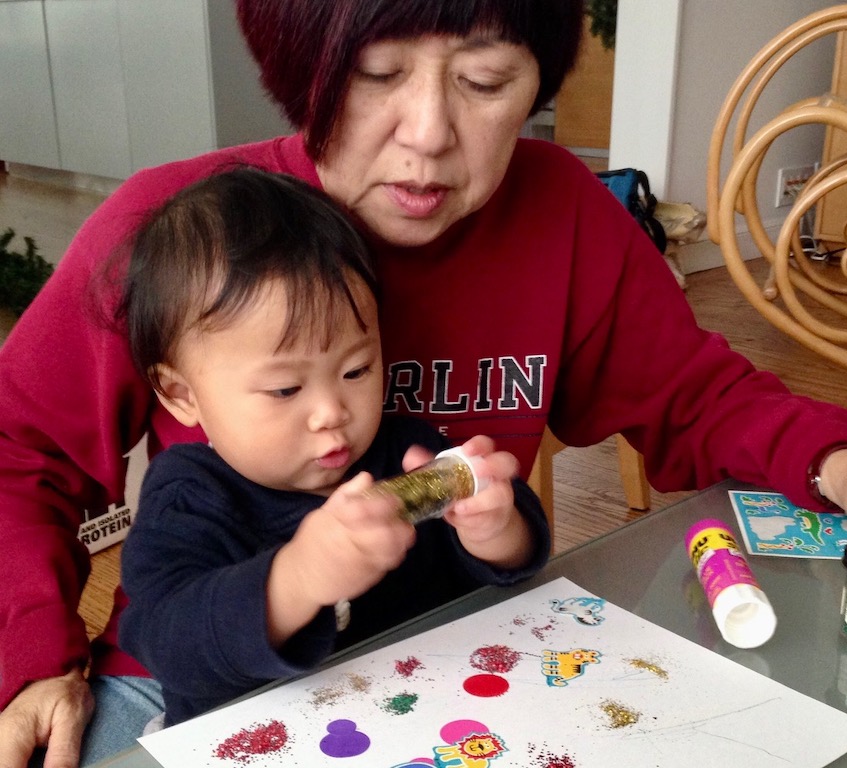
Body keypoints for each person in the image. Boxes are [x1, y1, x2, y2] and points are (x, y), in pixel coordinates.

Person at [1, 0, 847, 765]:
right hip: (197, 696)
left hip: (451, 678)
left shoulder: (564, 211)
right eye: (374, 75)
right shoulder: (179, 232)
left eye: (486, 82)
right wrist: (36, 654)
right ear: (301, 73)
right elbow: (19, 450)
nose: (430, 134)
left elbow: (693, 398)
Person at [112, 166, 547, 728]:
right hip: (254, 740)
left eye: (357, 369)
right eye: (286, 388)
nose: (332, 412)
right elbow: (170, 645)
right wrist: (296, 579)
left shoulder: (406, 452)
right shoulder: (189, 497)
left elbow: (514, 562)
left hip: (417, 718)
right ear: (181, 394)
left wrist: (495, 530)